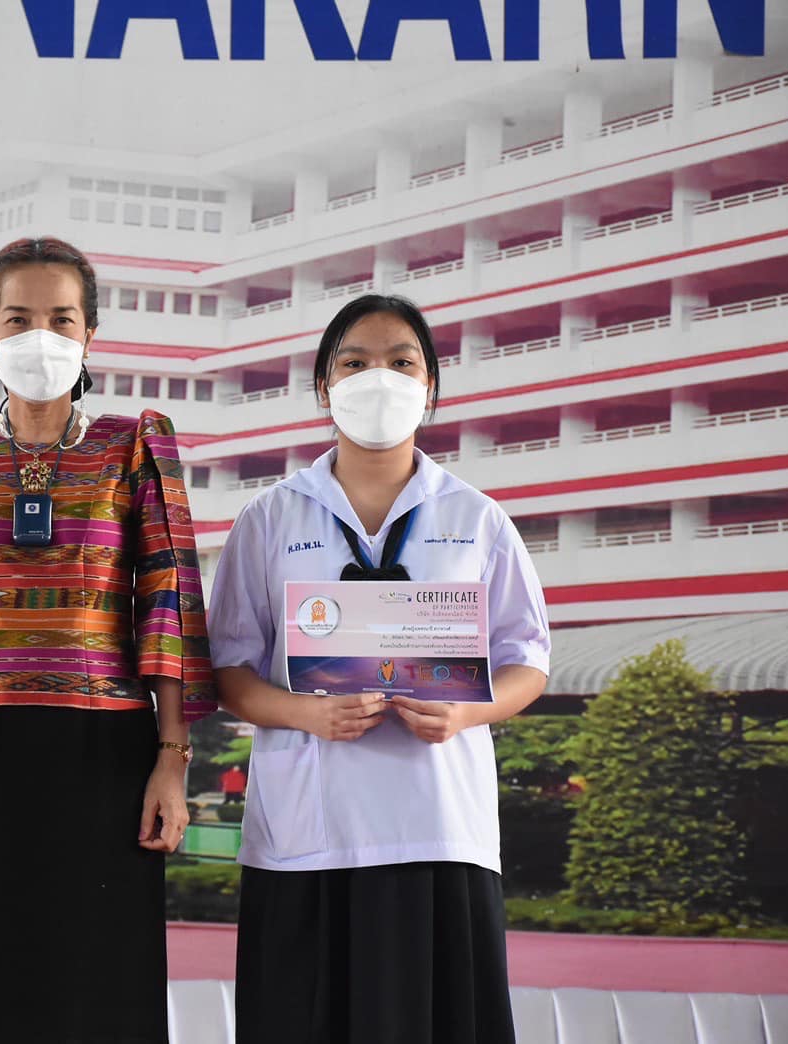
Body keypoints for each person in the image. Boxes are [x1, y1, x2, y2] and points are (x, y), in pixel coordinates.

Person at [0, 237, 214, 1043]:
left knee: (98, 995)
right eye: (19, 318)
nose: (40, 336)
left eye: (62, 318)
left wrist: (172, 760)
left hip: (107, 755)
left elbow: (167, 604)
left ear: (91, 333)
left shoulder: (135, 444)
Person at [207, 294, 551, 1044]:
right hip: (307, 833)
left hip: (438, 827)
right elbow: (228, 670)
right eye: (355, 362)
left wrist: (467, 712)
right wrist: (306, 713)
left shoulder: (476, 518)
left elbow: (527, 661)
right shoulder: (269, 518)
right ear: (324, 388)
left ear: (430, 388)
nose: (379, 378)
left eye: (402, 362)